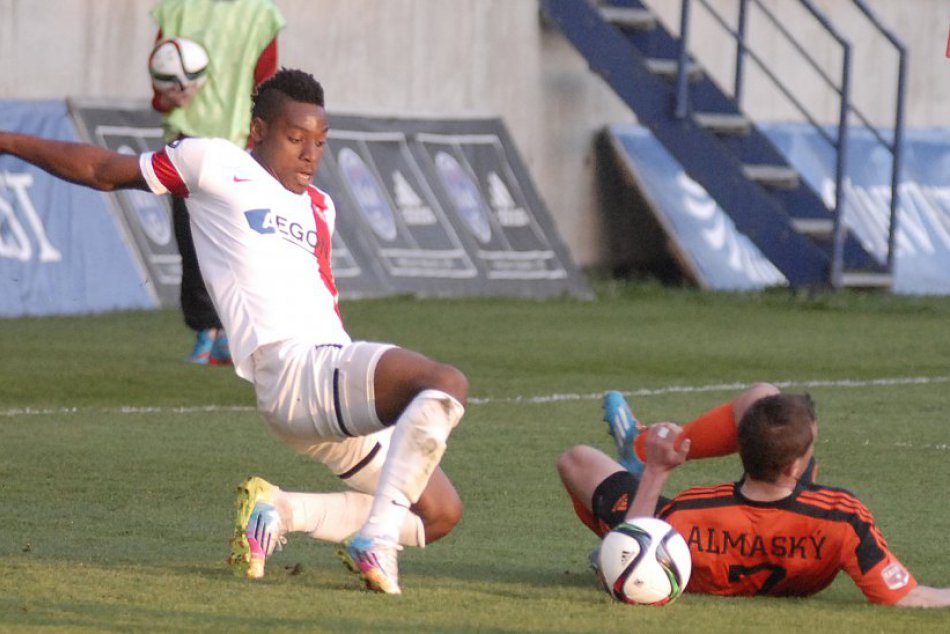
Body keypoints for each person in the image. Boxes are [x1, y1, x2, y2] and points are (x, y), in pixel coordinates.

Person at [0, 68, 467, 595]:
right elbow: (103, 170)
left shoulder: (320, 207)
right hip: (293, 371)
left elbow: (323, 299)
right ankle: (376, 541)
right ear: (259, 131)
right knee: (443, 382)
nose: (311, 154)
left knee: (438, 514)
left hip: (330, 378)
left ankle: (282, 511)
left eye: (320, 141)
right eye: (296, 139)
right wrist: (8, 139)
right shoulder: (213, 164)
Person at [557, 386, 950, 607]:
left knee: (577, 459)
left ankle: (644, 451)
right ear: (798, 468)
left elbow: (639, 542)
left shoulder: (688, 512)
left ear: (739, 448)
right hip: (801, 522)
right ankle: (640, 451)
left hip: (682, 539)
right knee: (765, 397)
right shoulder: (840, 519)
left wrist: (657, 473)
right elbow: (904, 595)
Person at [150, 0, 286, 365]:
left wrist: (262, 137)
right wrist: (168, 96)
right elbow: (160, 76)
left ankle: (233, 332)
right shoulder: (177, 8)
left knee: (238, 242)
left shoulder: (261, 14)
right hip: (186, 141)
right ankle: (204, 330)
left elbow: (266, 85)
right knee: (190, 240)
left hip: (238, 144)